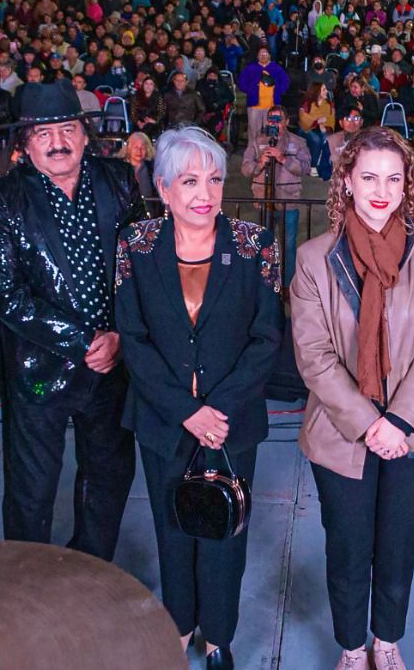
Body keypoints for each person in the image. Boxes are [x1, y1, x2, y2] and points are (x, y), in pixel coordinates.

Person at [290, 127, 414, 670]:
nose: (382, 189)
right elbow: (314, 355)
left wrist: (400, 421)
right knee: (347, 552)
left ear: (408, 182)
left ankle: (386, 642)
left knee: (397, 550)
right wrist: (368, 424)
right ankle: (351, 647)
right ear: (347, 182)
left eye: (393, 177)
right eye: (369, 177)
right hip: (342, 436)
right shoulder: (315, 259)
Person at [113, 126, 282, 670]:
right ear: (163, 188)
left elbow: (266, 338)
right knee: (171, 523)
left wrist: (217, 412)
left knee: (225, 527)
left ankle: (218, 637)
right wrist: (186, 412)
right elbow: (133, 339)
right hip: (164, 420)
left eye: (213, 177)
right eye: (189, 180)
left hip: (231, 422)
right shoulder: (136, 245)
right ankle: (178, 621)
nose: (205, 192)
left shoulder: (255, 245)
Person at [0, 79, 141, 559]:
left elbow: (140, 264)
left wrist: (118, 337)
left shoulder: (118, 180)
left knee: (108, 475)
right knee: (32, 487)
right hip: (39, 369)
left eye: (67, 128)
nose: (58, 142)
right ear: (25, 145)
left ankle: (90, 568)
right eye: (43, 132)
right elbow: (6, 296)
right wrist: (85, 341)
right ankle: (31, 581)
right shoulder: (3, 199)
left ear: (85, 135)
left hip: (113, 364)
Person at [240, 103, 310, 281]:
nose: (275, 123)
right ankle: (266, 282)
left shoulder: (298, 142)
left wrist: (283, 158)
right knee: (264, 243)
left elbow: (305, 168)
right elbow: (246, 169)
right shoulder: (257, 141)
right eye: (272, 119)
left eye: (279, 119)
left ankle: (287, 284)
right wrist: (260, 163)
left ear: (286, 121)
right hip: (264, 201)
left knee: (288, 245)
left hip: (289, 201)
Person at [124, 130, 157, 202]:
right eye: (136, 147)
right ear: (128, 148)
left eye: (143, 147)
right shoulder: (118, 168)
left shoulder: (153, 168)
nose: (139, 151)